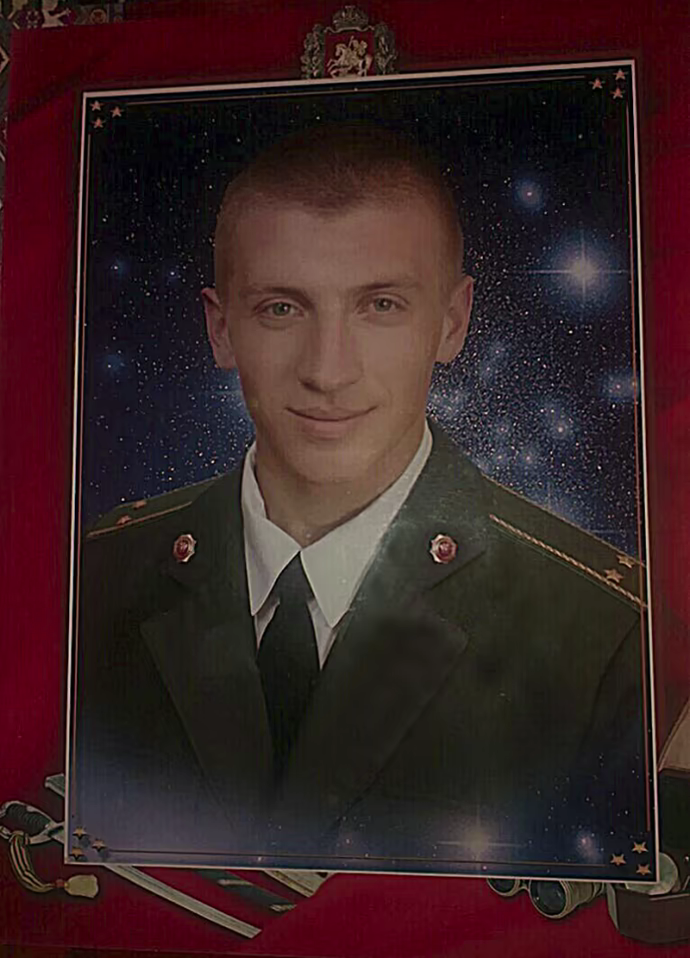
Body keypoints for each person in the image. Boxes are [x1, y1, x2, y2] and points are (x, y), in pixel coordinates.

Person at [71, 124, 650, 874]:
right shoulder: (92, 579)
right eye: (282, 308)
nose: (328, 370)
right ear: (221, 329)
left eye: (380, 305)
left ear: (452, 322)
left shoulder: (606, 639)